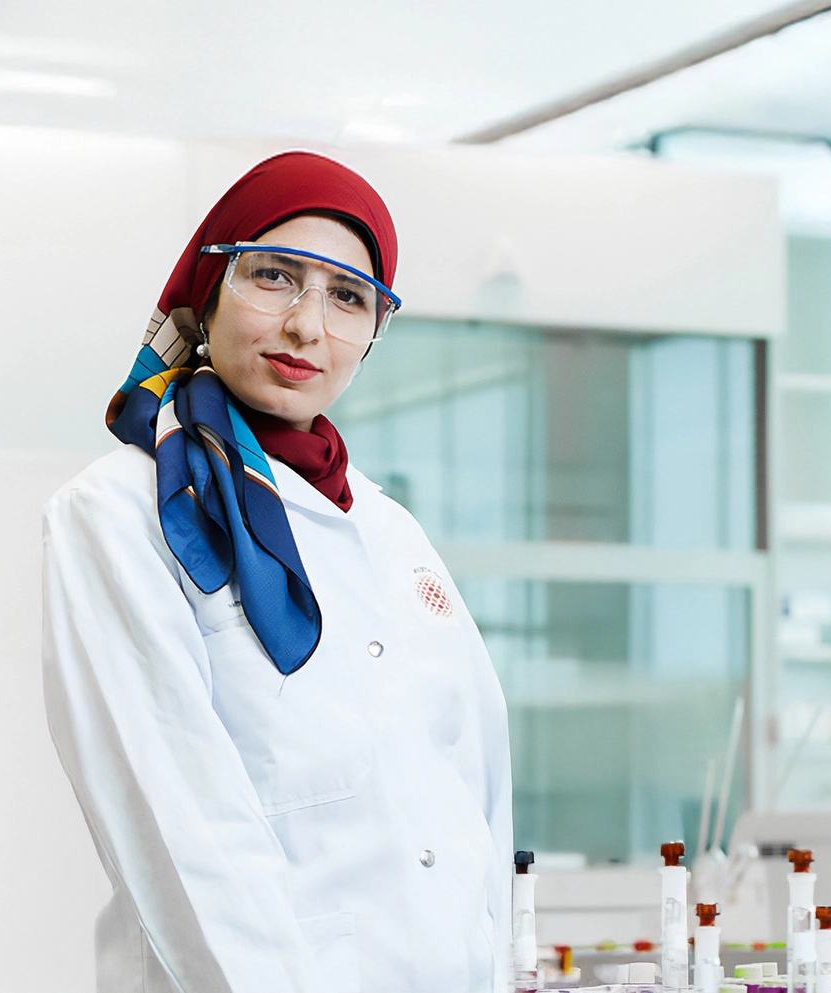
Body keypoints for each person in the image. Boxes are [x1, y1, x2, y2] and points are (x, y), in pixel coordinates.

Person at [42, 150, 513, 993]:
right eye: (273, 276)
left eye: (348, 297)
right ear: (206, 290)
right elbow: (178, 830)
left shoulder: (390, 530)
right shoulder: (120, 513)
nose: (306, 326)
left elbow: (474, 793)